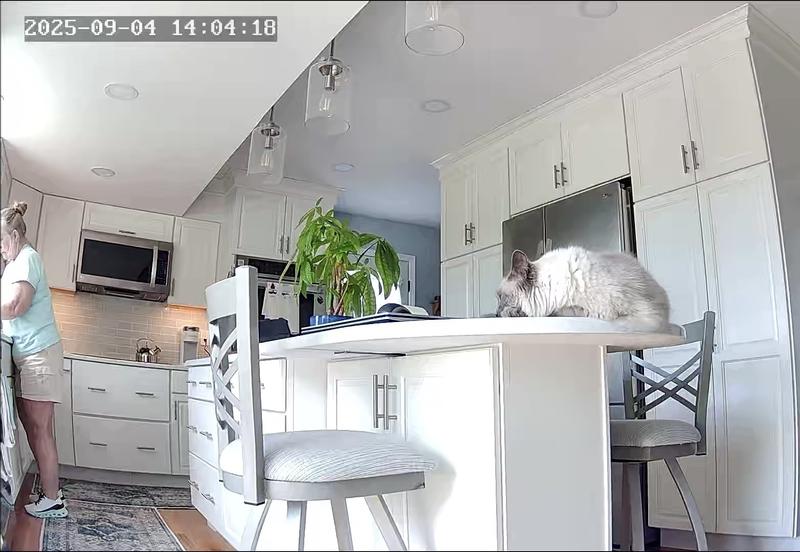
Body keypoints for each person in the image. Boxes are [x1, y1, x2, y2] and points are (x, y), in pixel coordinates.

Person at [0, 201, 67, 518]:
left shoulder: (27, 259)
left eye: (1, 242)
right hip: (31, 353)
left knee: (39, 430)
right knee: (34, 427)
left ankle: (53, 499)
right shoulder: (17, 262)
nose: (0, 250)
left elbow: (15, 306)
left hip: (39, 353)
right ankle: (51, 493)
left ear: (13, 235)